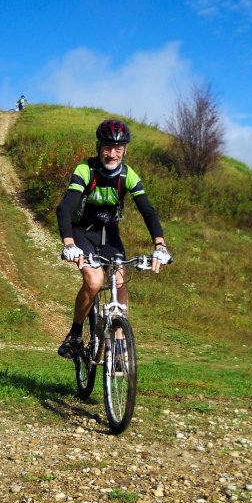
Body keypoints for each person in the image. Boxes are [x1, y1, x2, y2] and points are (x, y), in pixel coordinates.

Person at [56, 119, 172, 359]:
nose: (112, 154)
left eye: (118, 149)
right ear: (99, 146)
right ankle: (76, 334)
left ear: (125, 150)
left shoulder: (128, 175)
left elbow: (147, 211)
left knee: (120, 281)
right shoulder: (85, 170)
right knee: (95, 280)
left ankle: (119, 345)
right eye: (107, 147)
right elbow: (64, 209)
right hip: (83, 232)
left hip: (110, 234)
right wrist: (69, 243)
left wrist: (159, 244)